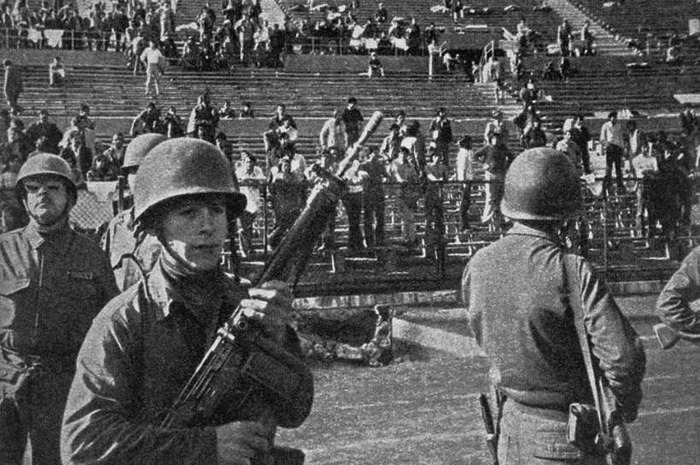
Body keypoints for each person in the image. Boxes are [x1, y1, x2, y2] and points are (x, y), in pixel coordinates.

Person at [61, 138, 312, 463]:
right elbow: (83, 445)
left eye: (216, 210)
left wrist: (277, 339)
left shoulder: (246, 307)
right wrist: (206, 447)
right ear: (157, 226)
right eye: (188, 213)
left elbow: (295, 410)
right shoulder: (124, 320)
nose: (207, 226)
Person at [462, 148, 646, 465]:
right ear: (564, 216)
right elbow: (623, 359)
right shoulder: (571, 270)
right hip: (565, 437)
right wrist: (614, 409)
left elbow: (485, 335)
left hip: (510, 430)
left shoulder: (478, 265)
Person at [0, 154, 118, 464]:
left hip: (63, 384)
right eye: (33, 188)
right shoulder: (4, 250)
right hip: (6, 380)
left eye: (53, 187)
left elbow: (110, 324)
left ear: (70, 198)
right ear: (24, 199)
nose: (43, 194)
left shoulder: (91, 255)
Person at [100, 133, 167, 292]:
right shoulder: (118, 226)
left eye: (151, 170)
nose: (142, 178)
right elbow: (103, 278)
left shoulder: (179, 227)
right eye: (135, 171)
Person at [235, 151, 266, 257]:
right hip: (242, 202)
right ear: (244, 163)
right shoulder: (239, 171)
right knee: (242, 228)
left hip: (254, 202)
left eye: (252, 163)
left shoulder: (257, 170)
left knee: (250, 228)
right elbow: (237, 181)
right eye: (247, 162)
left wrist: (249, 180)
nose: (250, 165)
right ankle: (244, 249)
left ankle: (250, 247)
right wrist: (251, 181)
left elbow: (262, 180)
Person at [600, 111, 628, 195]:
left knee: (618, 167)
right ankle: (609, 183)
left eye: (615, 117)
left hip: (617, 147)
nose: (614, 119)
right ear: (610, 118)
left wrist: (622, 147)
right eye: (612, 117)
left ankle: (620, 184)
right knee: (609, 167)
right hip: (610, 146)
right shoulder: (606, 125)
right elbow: (602, 138)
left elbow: (621, 137)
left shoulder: (619, 126)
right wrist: (606, 145)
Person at [454, 135, 474, 231]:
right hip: (465, 180)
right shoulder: (464, 153)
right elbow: (463, 168)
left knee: (466, 202)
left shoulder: (466, 152)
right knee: (464, 203)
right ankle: (463, 224)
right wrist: (463, 181)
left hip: (467, 179)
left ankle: (465, 223)